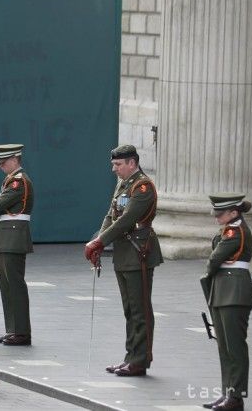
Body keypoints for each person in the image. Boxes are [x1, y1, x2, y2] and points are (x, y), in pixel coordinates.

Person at [85, 144, 163, 376]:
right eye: (113, 164)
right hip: (124, 251)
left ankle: (140, 360)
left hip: (139, 250)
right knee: (130, 308)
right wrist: (98, 240)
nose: (114, 169)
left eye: (118, 164)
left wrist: (99, 242)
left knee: (140, 308)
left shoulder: (143, 187)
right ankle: (131, 356)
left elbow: (127, 219)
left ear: (132, 163)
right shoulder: (124, 184)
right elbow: (111, 216)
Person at [200, 194, 252, 411]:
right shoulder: (229, 228)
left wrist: (209, 271)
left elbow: (215, 258)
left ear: (234, 212)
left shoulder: (235, 231)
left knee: (235, 347)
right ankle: (227, 394)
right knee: (224, 347)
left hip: (234, 292)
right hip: (223, 290)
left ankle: (236, 397)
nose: (216, 217)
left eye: (220, 213)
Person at [0, 144, 34, 346]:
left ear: (15, 159)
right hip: (5, 236)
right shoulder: (12, 180)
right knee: (6, 286)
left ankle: (21, 331)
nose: (0, 166)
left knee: (14, 285)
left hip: (12, 236)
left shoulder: (19, 182)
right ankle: (12, 329)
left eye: (4, 162)